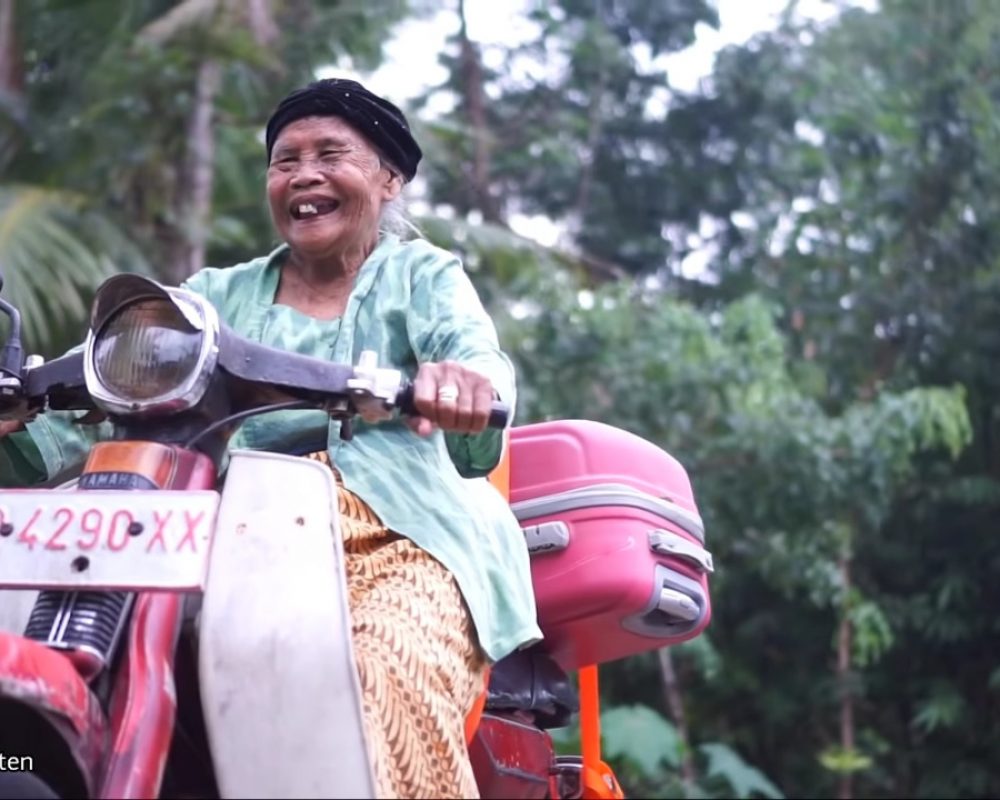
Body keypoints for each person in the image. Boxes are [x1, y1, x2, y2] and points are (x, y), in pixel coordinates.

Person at [0, 77, 543, 799]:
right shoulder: (214, 297)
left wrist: (465, 387)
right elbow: (92, 413)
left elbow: (477, 366)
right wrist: (15, 420)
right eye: (285, 161)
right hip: (220, 543)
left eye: (330, 154)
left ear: (389, 179)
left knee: (367, 673)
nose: (305, 175)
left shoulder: (423, 276)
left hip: (396, 538)